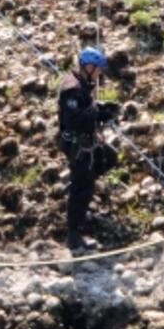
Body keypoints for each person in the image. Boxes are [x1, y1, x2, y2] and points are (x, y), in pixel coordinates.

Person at [57, 46, 119, 251]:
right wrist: (98, 115)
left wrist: (102, 108)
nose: (100, 73)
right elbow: (74, 121)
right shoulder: (72, 89)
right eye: (98, 68)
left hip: (87, 142)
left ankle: (83, 185)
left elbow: (87, 108)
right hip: (77, 144)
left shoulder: (82, 83)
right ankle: (74, 235)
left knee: (109, 158)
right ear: (89, 66)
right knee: (82, 187)